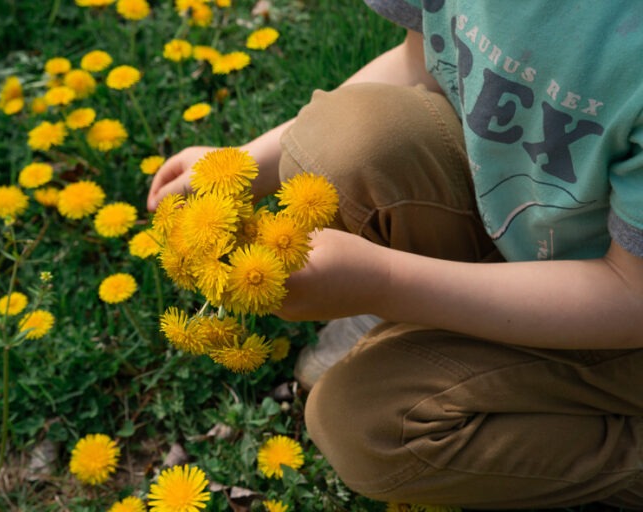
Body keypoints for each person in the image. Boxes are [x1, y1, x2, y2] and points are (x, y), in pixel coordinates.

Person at [148, 1, 643, 509]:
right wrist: (248, 163)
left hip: (624, 315)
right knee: (341, 141)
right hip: (541, 246)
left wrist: (384, 281)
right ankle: (441, 329)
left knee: (369, 426)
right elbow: (420, 60)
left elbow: (632, 298)